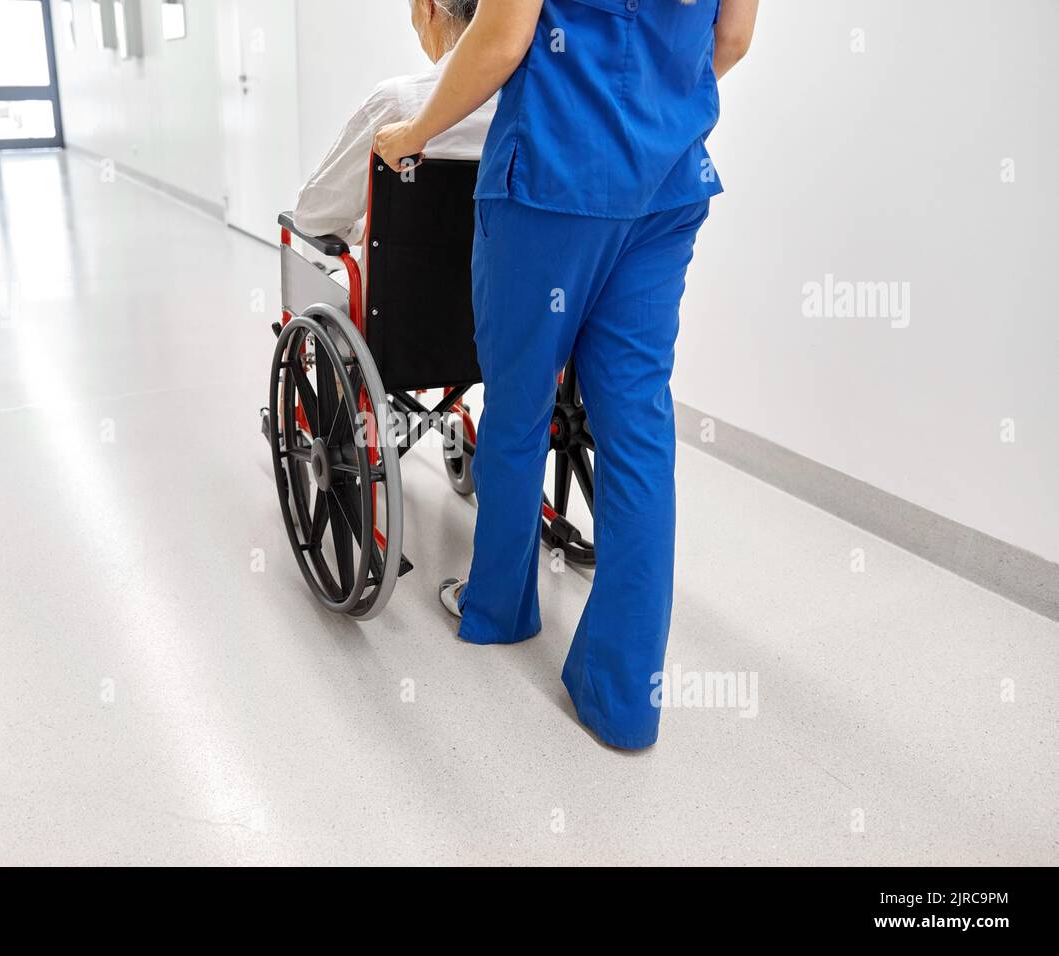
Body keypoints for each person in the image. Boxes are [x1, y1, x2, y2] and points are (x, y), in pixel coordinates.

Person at [374, 0, 759, 750]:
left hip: (552, 184)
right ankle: (622, 700)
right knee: (640, 429)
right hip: (666, 187)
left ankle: (498, 609)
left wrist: (413, 133)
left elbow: (506, 35)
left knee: (519, 407)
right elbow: (734, 38)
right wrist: (651, 114)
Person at [293, 0, 496, 250]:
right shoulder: (533, 109)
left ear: (427, 7)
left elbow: (313, 216)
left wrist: (368, 230)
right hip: (507, 286)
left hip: (403, 288)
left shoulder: (398, 101)